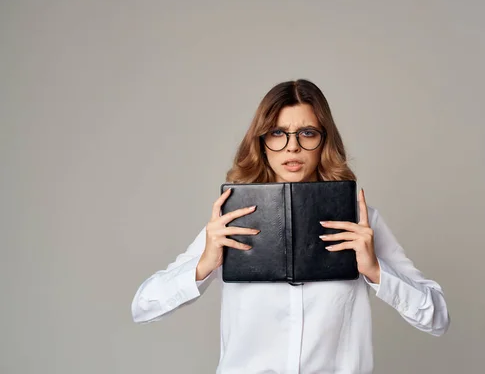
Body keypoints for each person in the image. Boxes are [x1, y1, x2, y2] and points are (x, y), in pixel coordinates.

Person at [131, 79, 450, 374]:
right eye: (277, 133)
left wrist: (377, 271)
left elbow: (437, 317)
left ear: (324, 140)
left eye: (307, 133)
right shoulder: (232, 221)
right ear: (262, 141)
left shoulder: (359, 223)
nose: (292, 147)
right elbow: (143, 307)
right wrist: (203, 265)